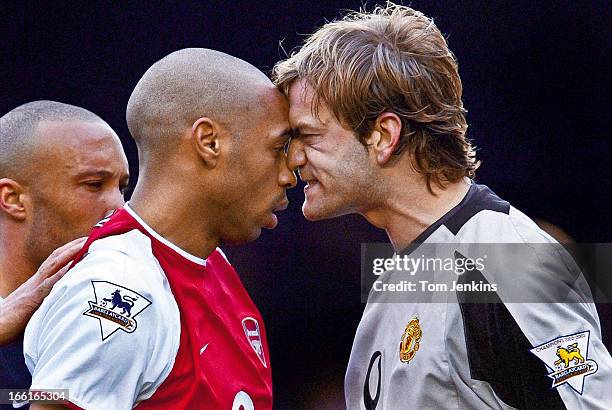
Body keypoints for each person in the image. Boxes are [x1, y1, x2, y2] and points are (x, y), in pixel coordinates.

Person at [273, 3, 612, 409]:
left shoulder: (511, 259)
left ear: (384, 135)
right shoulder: (398, 276)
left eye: (308, 136)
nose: (293, 158)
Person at [24, 48, 295, 409]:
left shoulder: (213, 265)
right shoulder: (120, 288)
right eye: (278, 148)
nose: (289, 175)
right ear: (209, 142)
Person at [0, 101, 129, 408]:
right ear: (13, 198)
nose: (120, 209)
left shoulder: (114, 314)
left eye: (123, 187)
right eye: (94, 184)